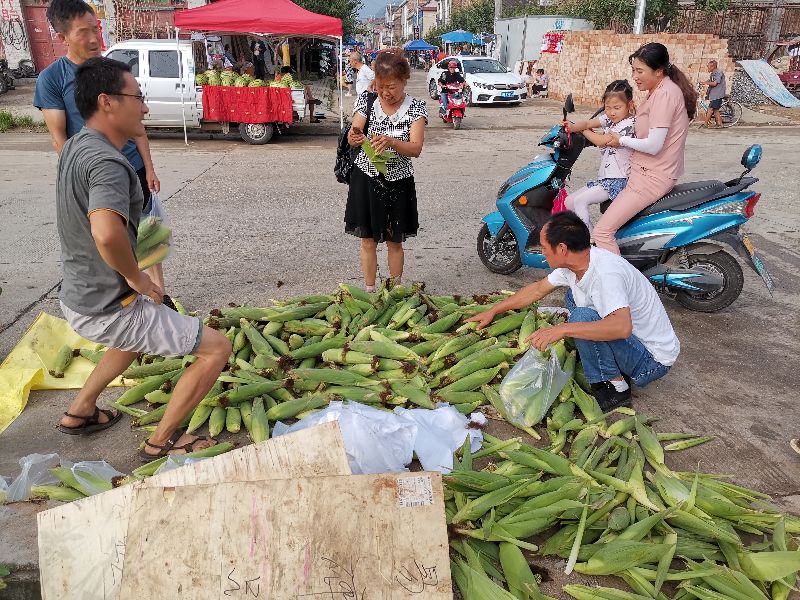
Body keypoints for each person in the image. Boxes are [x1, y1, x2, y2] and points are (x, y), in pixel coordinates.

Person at [56, 56, 231, 458]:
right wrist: (138, 279)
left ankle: (80, 411)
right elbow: (105, 232)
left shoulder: (77, 146)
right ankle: (162, 441)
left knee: (134, 338)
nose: (146, 107)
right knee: (216, 349)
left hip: (79, 294)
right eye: (138, 97)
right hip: (107, 305)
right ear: (107, 102)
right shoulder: (108, 163)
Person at [33, 0, 173, 308]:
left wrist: (149, 168)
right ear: (62, 37)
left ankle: (160, 297)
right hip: (97, 173)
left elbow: (137, 125)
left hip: (131, 168)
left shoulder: (111, 71)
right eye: (84, 32)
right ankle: (120, 301)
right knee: (110, 237)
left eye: (96, 29)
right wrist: (80, 179)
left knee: (148, 233)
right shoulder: (52, 79)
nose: (94, 38)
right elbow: (60, 139)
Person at [467, 211, 679, 410]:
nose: (541, 251)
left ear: (561, 248)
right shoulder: (576, 264)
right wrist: (494, 310)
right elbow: (537, 290)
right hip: (634, 341)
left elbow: (622, 328)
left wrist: (563, 330)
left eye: (543, 246)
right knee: (572, 297)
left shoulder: (606, 274)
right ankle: (606, 358)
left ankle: (615, 388)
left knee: (581, 317)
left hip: (651, 361)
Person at [593, 42, 697, 255]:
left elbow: (654, 145)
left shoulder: (664, 95)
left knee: (602, 232)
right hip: (644, 173)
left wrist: (620, 140)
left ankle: (617, 285)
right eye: (633, 70)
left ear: (658, 71)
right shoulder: (660, 90)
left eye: (640, 71)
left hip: (650, 178)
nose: (635, 76)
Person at [345, 50, 427, 292]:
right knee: (367, 240)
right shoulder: (367, 100)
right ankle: (370, 291)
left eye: (391, 86)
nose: (385, 92)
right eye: (381, 86)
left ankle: (395, 290)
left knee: (394, 241)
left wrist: (391, 142)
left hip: (398, 181)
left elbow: (416, 148)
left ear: (404, 80)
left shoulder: (416, 108)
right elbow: (355, 132)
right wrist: (354, 136)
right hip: (366, 178)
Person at [565, 80, 636, 232]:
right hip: (605, 178)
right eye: (608, 108)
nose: (612, 112)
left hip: (619, 180)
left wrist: (583, 130)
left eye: (617, 107)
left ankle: (588, 241)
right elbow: (587, 122)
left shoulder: (630, 124)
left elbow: (601, 141)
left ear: (629, 105)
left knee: (580, 201)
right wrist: (570, 127)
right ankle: (591, 235)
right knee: (569, 202)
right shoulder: (610, 120)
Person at [701, 59, 727, 128]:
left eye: (709, 67)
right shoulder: (713, 73)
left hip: (717, 94)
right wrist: (703, 82)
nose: (708, 68)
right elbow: (711, 80)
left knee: (710, 109)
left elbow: (715, 83)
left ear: (713, 67)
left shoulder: (718, 73)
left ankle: (705, 124)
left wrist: (706, 83)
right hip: (714, 94)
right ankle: (720, 124)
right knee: (715, 110)